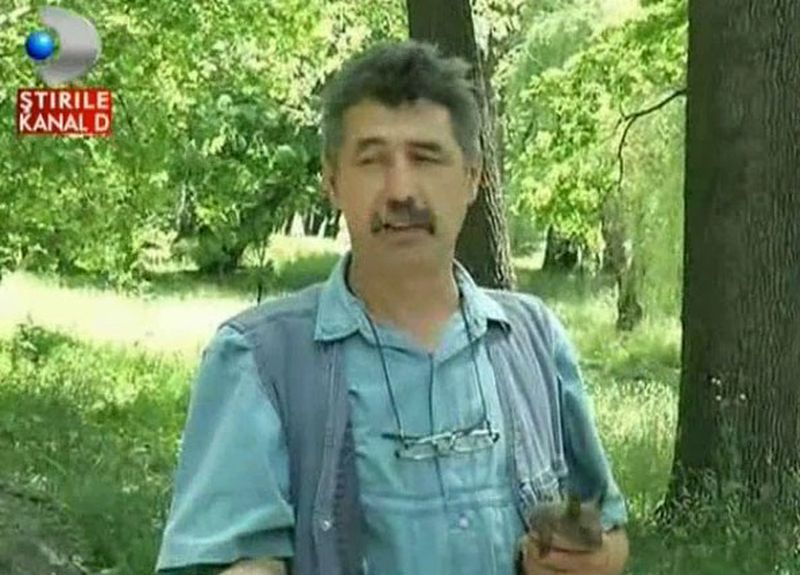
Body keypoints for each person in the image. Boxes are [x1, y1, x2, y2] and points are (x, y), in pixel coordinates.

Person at [155, 39, 629, 575]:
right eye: (372, 160)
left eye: (426, 157)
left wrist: (589, 559)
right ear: (333, 182)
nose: (401, 190)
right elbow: (237, 561)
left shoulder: (532, 338)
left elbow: (609, 533)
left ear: (472, 178)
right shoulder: (258, 360)